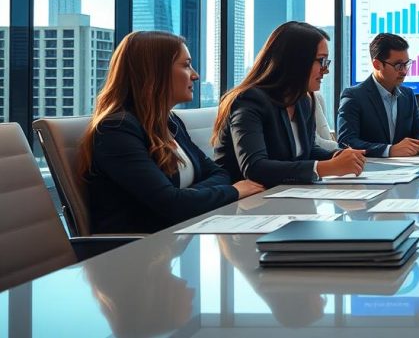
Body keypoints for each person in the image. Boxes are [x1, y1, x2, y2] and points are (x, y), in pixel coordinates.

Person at [80, 31, 264, 234]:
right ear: (154, 72)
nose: (195, 75)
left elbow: (219, 173)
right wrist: (233, 191)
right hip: (137, 251)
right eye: (186, 65)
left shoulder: (170, 122)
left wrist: (186, 196)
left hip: (181, 236)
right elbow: (172, 205)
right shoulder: (116, 131)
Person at [213, 22, 366, 187]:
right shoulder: (250, 100)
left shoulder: (302, 101)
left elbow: (306, 151)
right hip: (243, 204)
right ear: (296, 61)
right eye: (321, 61)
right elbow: (255, 168)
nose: (325, 70)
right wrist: (326, 167)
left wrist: (338, 156)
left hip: (283, 196)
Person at [337, 33, 419, 158]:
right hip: (369, 172)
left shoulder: (408, 95)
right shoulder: (354, 96)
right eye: (398, 65)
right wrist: (389, 150)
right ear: (377, 64)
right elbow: (346, 142)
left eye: (407, 64)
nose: (405, 71)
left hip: (408, 171)